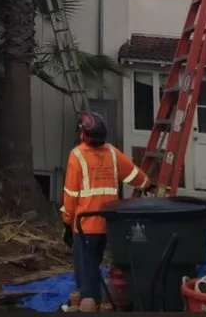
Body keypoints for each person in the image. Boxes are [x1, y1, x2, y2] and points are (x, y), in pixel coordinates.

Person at [61, 112, 154, 311]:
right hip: (110, 224)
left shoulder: (76, 155)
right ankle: (111, 301)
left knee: (86, 271)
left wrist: (66, 221)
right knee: (114, 265)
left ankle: (89, 302)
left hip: (84, 225)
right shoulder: (112, 153)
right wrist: (147, 184)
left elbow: (70, 194)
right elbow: (133, 174)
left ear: (83, 133)